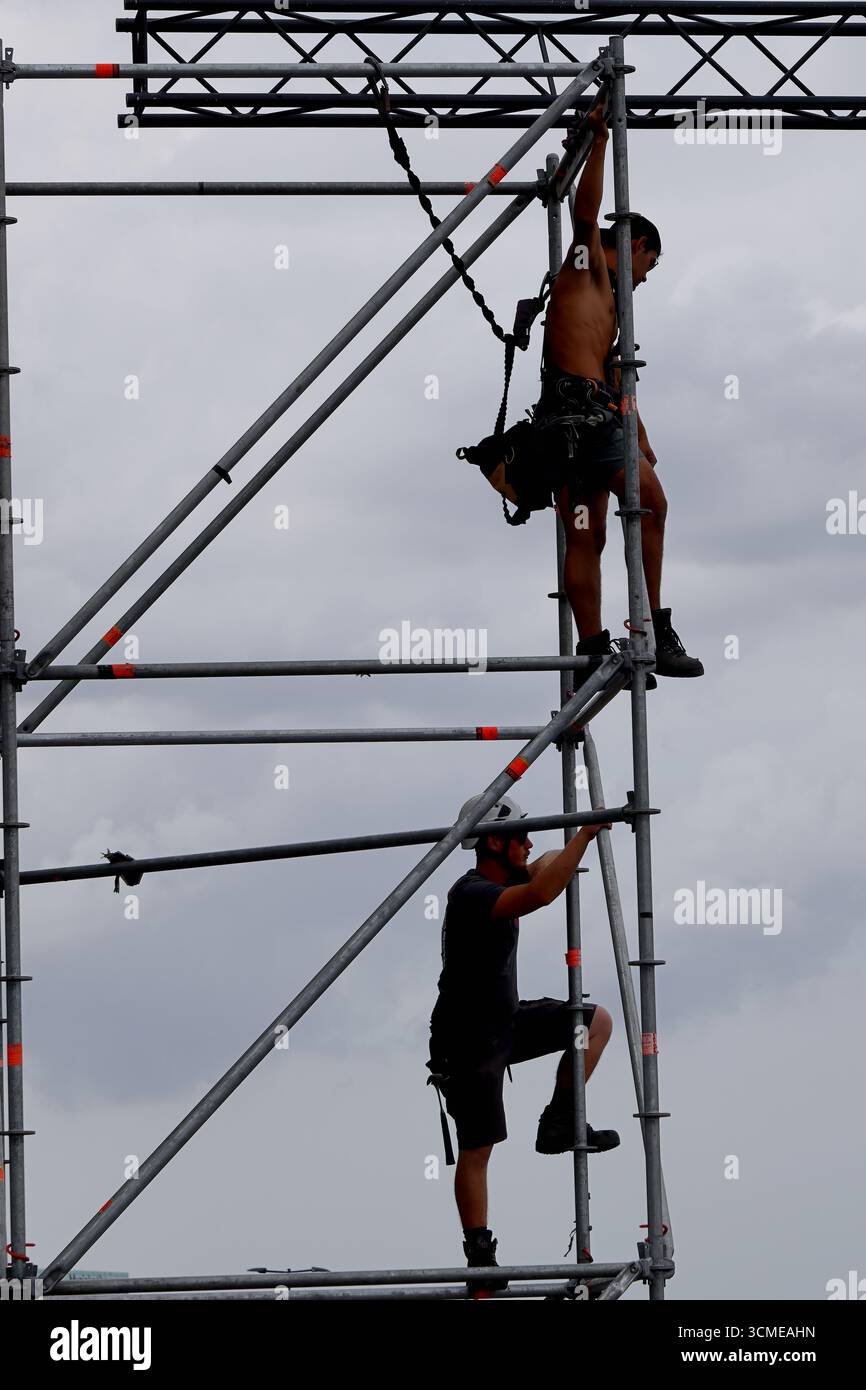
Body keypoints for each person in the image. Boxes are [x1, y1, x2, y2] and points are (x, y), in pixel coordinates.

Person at [536, 98, 703, 685]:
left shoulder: (600, 300)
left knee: (588, 531)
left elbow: (611, 373)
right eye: (648, 268)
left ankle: (590, 653)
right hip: (584, 416)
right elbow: (587, 215)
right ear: (634, 247)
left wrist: (642, 432)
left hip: (564, 422)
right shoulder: (588, 268)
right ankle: (654, 630)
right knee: (652, 502)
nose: (645, 281)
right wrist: (600, 139)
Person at [427, 793, 618, 1295]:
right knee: (478, 1147)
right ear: (493, 841)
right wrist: (584, 834)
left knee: (594, 1022)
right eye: (521, 836)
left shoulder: (499, 876)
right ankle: (480, 1258)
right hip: (466, 1039)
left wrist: (569, 838)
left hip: (504, 1023)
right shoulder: (471, 893)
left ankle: (559, 1120)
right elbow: (540, 895)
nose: (529, 843)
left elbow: (542, 869)